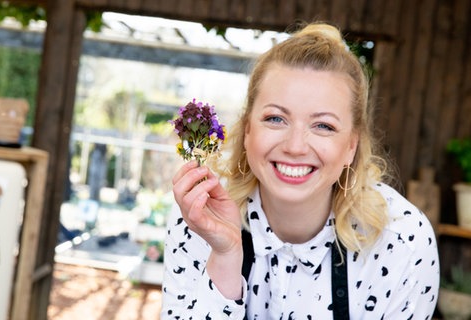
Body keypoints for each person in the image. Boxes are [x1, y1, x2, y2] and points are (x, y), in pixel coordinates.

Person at [162, 22, 439, 319]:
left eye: (323, 126)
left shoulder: (402, 242)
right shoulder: (201, 218)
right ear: (247, 132)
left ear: (351, 146)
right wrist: (225, 256)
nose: (295, 146)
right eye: (275, 119)